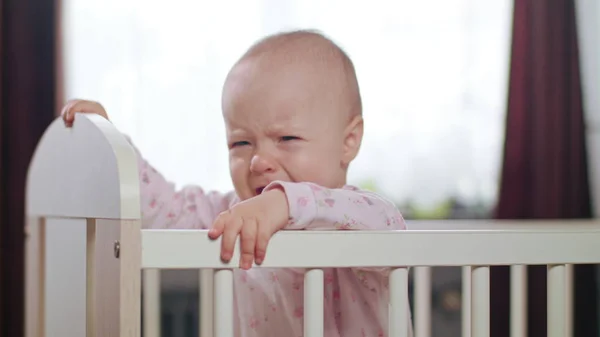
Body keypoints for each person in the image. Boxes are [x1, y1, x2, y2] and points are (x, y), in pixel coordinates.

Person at [61, 29, 410, 337]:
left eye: (286, 138)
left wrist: (286, 202)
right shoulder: (232, 216)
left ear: (349, 142)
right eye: (241, 143)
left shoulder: (359, 216)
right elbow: (164, 208)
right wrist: (113, 148)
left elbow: (389, 224)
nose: (258, 160)